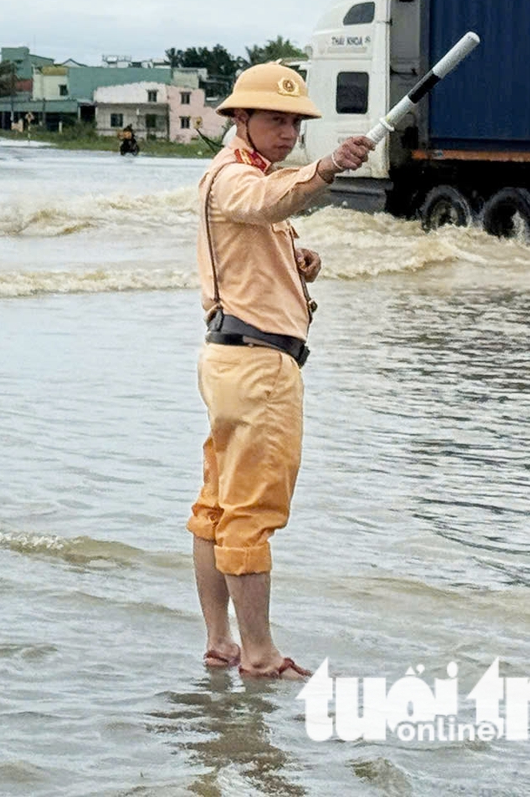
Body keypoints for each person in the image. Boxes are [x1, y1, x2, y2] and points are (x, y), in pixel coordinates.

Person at [188, 62, 373, 681]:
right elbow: (269, 201)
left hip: (232, 358)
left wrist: (300, 262)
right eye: (274, 117)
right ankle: (259, 654)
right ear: (240, 118)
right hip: (259, 366)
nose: (288, 129)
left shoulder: (242, 176)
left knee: (217, 506)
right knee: (250, 511)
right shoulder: (236, 178)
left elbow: (263, 227)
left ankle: (222, 643)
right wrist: (327, 167)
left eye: (295, 121)